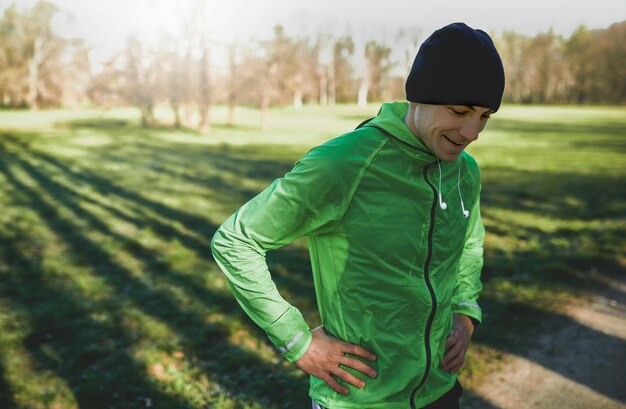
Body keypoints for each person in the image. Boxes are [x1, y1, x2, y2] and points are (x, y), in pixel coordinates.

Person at [211, 22, 505, 409]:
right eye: (459, 110)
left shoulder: (465, 171)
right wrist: (295, 340)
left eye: (484, 116)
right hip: (359, 398)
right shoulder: (344, 164)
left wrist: (466, 313)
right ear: (419, 96)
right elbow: (236, 240)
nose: (472, 131)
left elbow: (469, 242)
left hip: (439, 391)